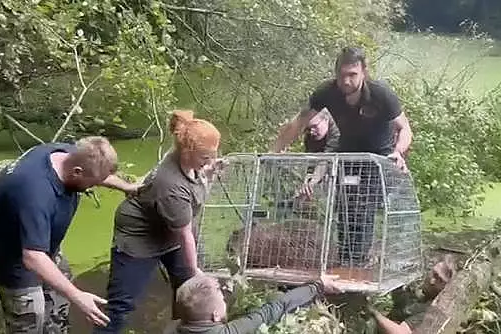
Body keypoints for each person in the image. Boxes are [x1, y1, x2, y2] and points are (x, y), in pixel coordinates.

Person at [0, 136, 139, 333]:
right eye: (92, 183)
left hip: (38, 237)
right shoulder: (35, 192)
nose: (92, 187)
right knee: (31, 314)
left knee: (60, 290)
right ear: (77, 172)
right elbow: (33, 257)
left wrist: (126, 187)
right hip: (4, 247)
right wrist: (79, 297)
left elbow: (97, 173)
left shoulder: (72, 154)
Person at [273, 46, 413, 266]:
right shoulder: (327, 93)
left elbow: (405, 128)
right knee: (345, 206)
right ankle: (345, 260)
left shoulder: (380, 94)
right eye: (341, 75)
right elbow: (298, 122)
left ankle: (359, 262)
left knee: (363, 208)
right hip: (347, 155)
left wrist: (398, 152)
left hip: (378, 158)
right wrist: (275, 151)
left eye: (352, 75)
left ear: (364, 72)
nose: (346, 81)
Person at [93, 110, 224, 333]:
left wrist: (207, 172)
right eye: (205, 158)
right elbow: (185, 234)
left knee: (189, 294)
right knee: (121, 306)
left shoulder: (186, 159)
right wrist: (194, 271)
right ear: (186, 152)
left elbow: (190, 206)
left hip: (169, 233)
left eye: (213, 155)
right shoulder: (170, 184)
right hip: (139, 238)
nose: (210, 161)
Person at [167, 273, 343, 334]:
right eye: (222, 300)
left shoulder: (170, 329)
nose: (225, 300)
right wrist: (318, 285)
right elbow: (273, 309)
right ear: (215, 315)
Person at [368, 255, 456, 333]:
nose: (432, 281)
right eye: (434, 274)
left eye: (439, 280)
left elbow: (400, 332)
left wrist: (373, 312)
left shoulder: (433, 310)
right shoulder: (419, 296)